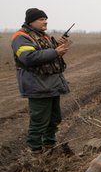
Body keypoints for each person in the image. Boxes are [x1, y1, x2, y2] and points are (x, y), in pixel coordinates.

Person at [10, 8, 70, 153]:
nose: (45, 22)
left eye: (45, 19)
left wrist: (57, 46)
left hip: (51, 85)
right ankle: (35, 152)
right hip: (38, 86)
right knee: (39, 122)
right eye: (41, 19)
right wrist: (55, 52)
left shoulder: (42, 36)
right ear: (31, 21)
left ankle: (50, 146)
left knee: (54, 119)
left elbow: (45, 55)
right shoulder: (20, 37)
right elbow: (28, 57)